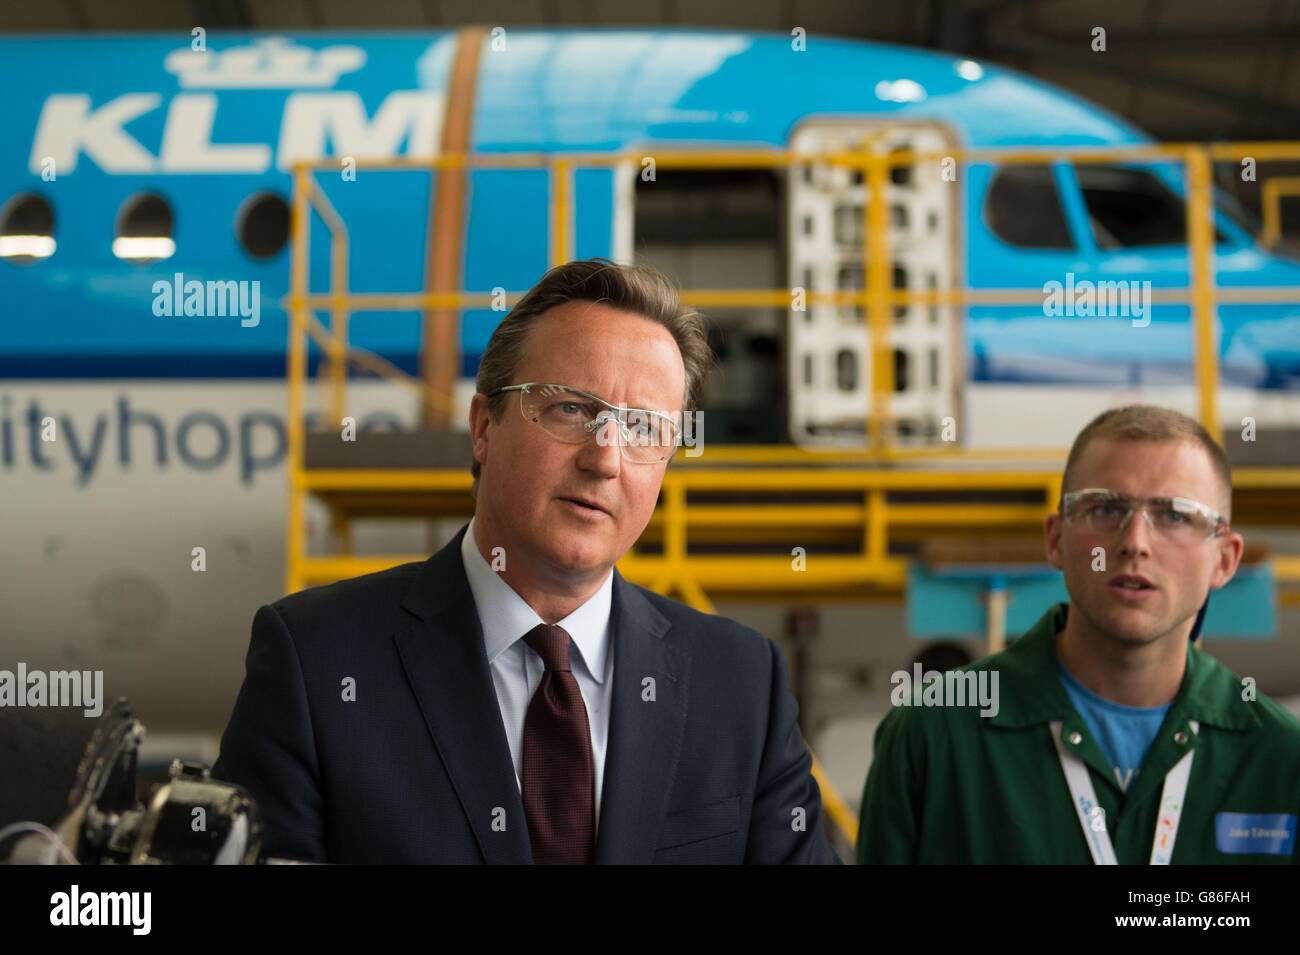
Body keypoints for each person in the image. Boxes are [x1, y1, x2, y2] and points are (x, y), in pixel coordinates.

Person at [214, 258, 837, 864]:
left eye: (644, 427)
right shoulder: (315, 662)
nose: (605, 459)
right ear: (484, 426)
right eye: (572, 408)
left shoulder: (741, 685)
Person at [858, 404, 1300, 864]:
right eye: (1106, 508)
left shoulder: (1280, 758)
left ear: (1225, 559)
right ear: (1056, 540)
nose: (1135, 542)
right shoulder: (931, 735)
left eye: (1173, 515)